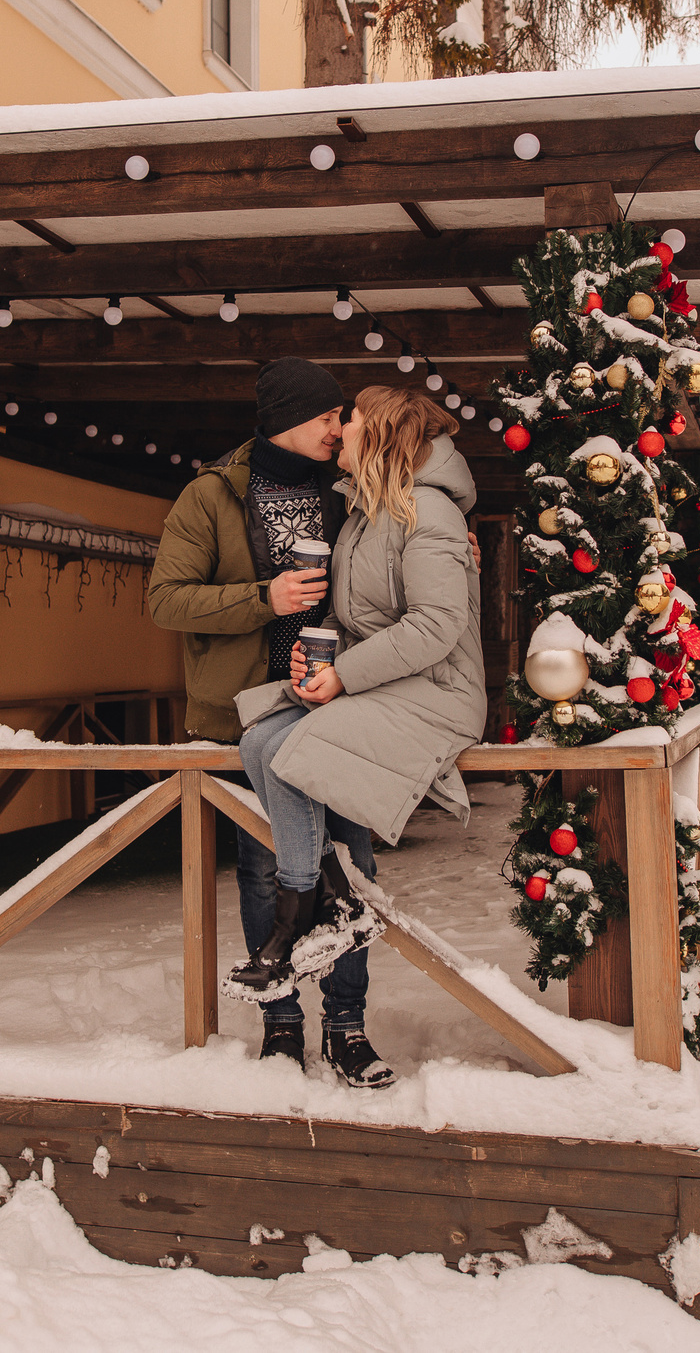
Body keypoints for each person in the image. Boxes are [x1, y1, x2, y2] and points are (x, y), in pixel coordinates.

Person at [224, 386, 484, 1090]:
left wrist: (342, 678)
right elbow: (359, 618)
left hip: (435, 690)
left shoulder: (425, 510)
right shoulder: (368, 511)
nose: (342, 427)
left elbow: (435, 627)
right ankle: (330, 898)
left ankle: (303, 906)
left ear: (387, 430)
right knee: (258, 739)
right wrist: (320, 658)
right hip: (380, 681)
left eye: (355, 417)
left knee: (287, 748)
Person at [145, 358, 373, 1072]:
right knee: (264, 869)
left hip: (337, 709)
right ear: (288, 420)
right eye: (328, 415)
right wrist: (261, 599)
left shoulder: (354, 489)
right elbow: (166, 600)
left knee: (354, 867)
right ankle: (280, 1020)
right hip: (248, 717)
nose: (341, 427)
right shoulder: (209, 495)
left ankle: (347, 1023)